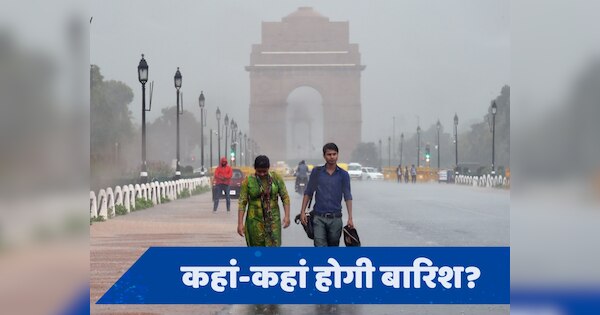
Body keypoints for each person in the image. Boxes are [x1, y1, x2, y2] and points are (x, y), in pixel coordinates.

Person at [300, 143, 353, 247]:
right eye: (329, 154)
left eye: (334, 154)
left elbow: (347, 196)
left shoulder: (343, 175)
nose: (332, 157)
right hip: (319, 217)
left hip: (336, 218)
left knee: (333, 247)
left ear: (337, 155)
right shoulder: (317, 172)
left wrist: (350, 217)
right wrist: (302, 212)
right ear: (324, 156)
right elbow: (308, 192)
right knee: (320, 246)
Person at [237, 155, 290, 247]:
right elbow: (242, 202)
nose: (262, 174)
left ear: (268, 168)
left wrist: (287, 216)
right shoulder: (248, 181)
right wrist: (240, 224)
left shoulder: (276, 178)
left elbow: (285, 197)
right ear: (255, 169)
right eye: (259, 171)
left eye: (264, 171)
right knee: (257, 250)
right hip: (254, 221)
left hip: (273, 220)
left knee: (273, 249)